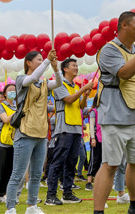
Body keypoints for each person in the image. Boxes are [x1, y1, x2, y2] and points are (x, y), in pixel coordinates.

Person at [92, 11, 135, 214]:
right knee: (110, 164)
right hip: (113, 115)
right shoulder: (108, 50)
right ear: (124, 26)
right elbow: (124, 73)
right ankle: (98, 211)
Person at [4, 49, 60, 214]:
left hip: (41, 133)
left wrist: (56, 68)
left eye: (42, 59)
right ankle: (11, 207)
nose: (41, 61)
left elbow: (58, 83)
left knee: (36, 174)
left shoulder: (43, 84)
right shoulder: (22, 79)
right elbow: (34, 77)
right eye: (38, 59)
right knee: (18, 174)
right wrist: (47, 61)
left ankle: (31, 206)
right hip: (25, 132)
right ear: (28, 62)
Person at [45, 57, 92, 206]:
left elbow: (81, 106)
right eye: (73, 65)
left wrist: (84, 95)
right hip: (63, 129)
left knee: (71, 162)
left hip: (76, 128)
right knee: (58, 162)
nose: (76, 68)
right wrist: (83, 89)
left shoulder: (75, 87)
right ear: (65, 69)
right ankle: (51, 195)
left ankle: (67, 193)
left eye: (77, 65)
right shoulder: (59, 84)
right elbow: (69, 100)